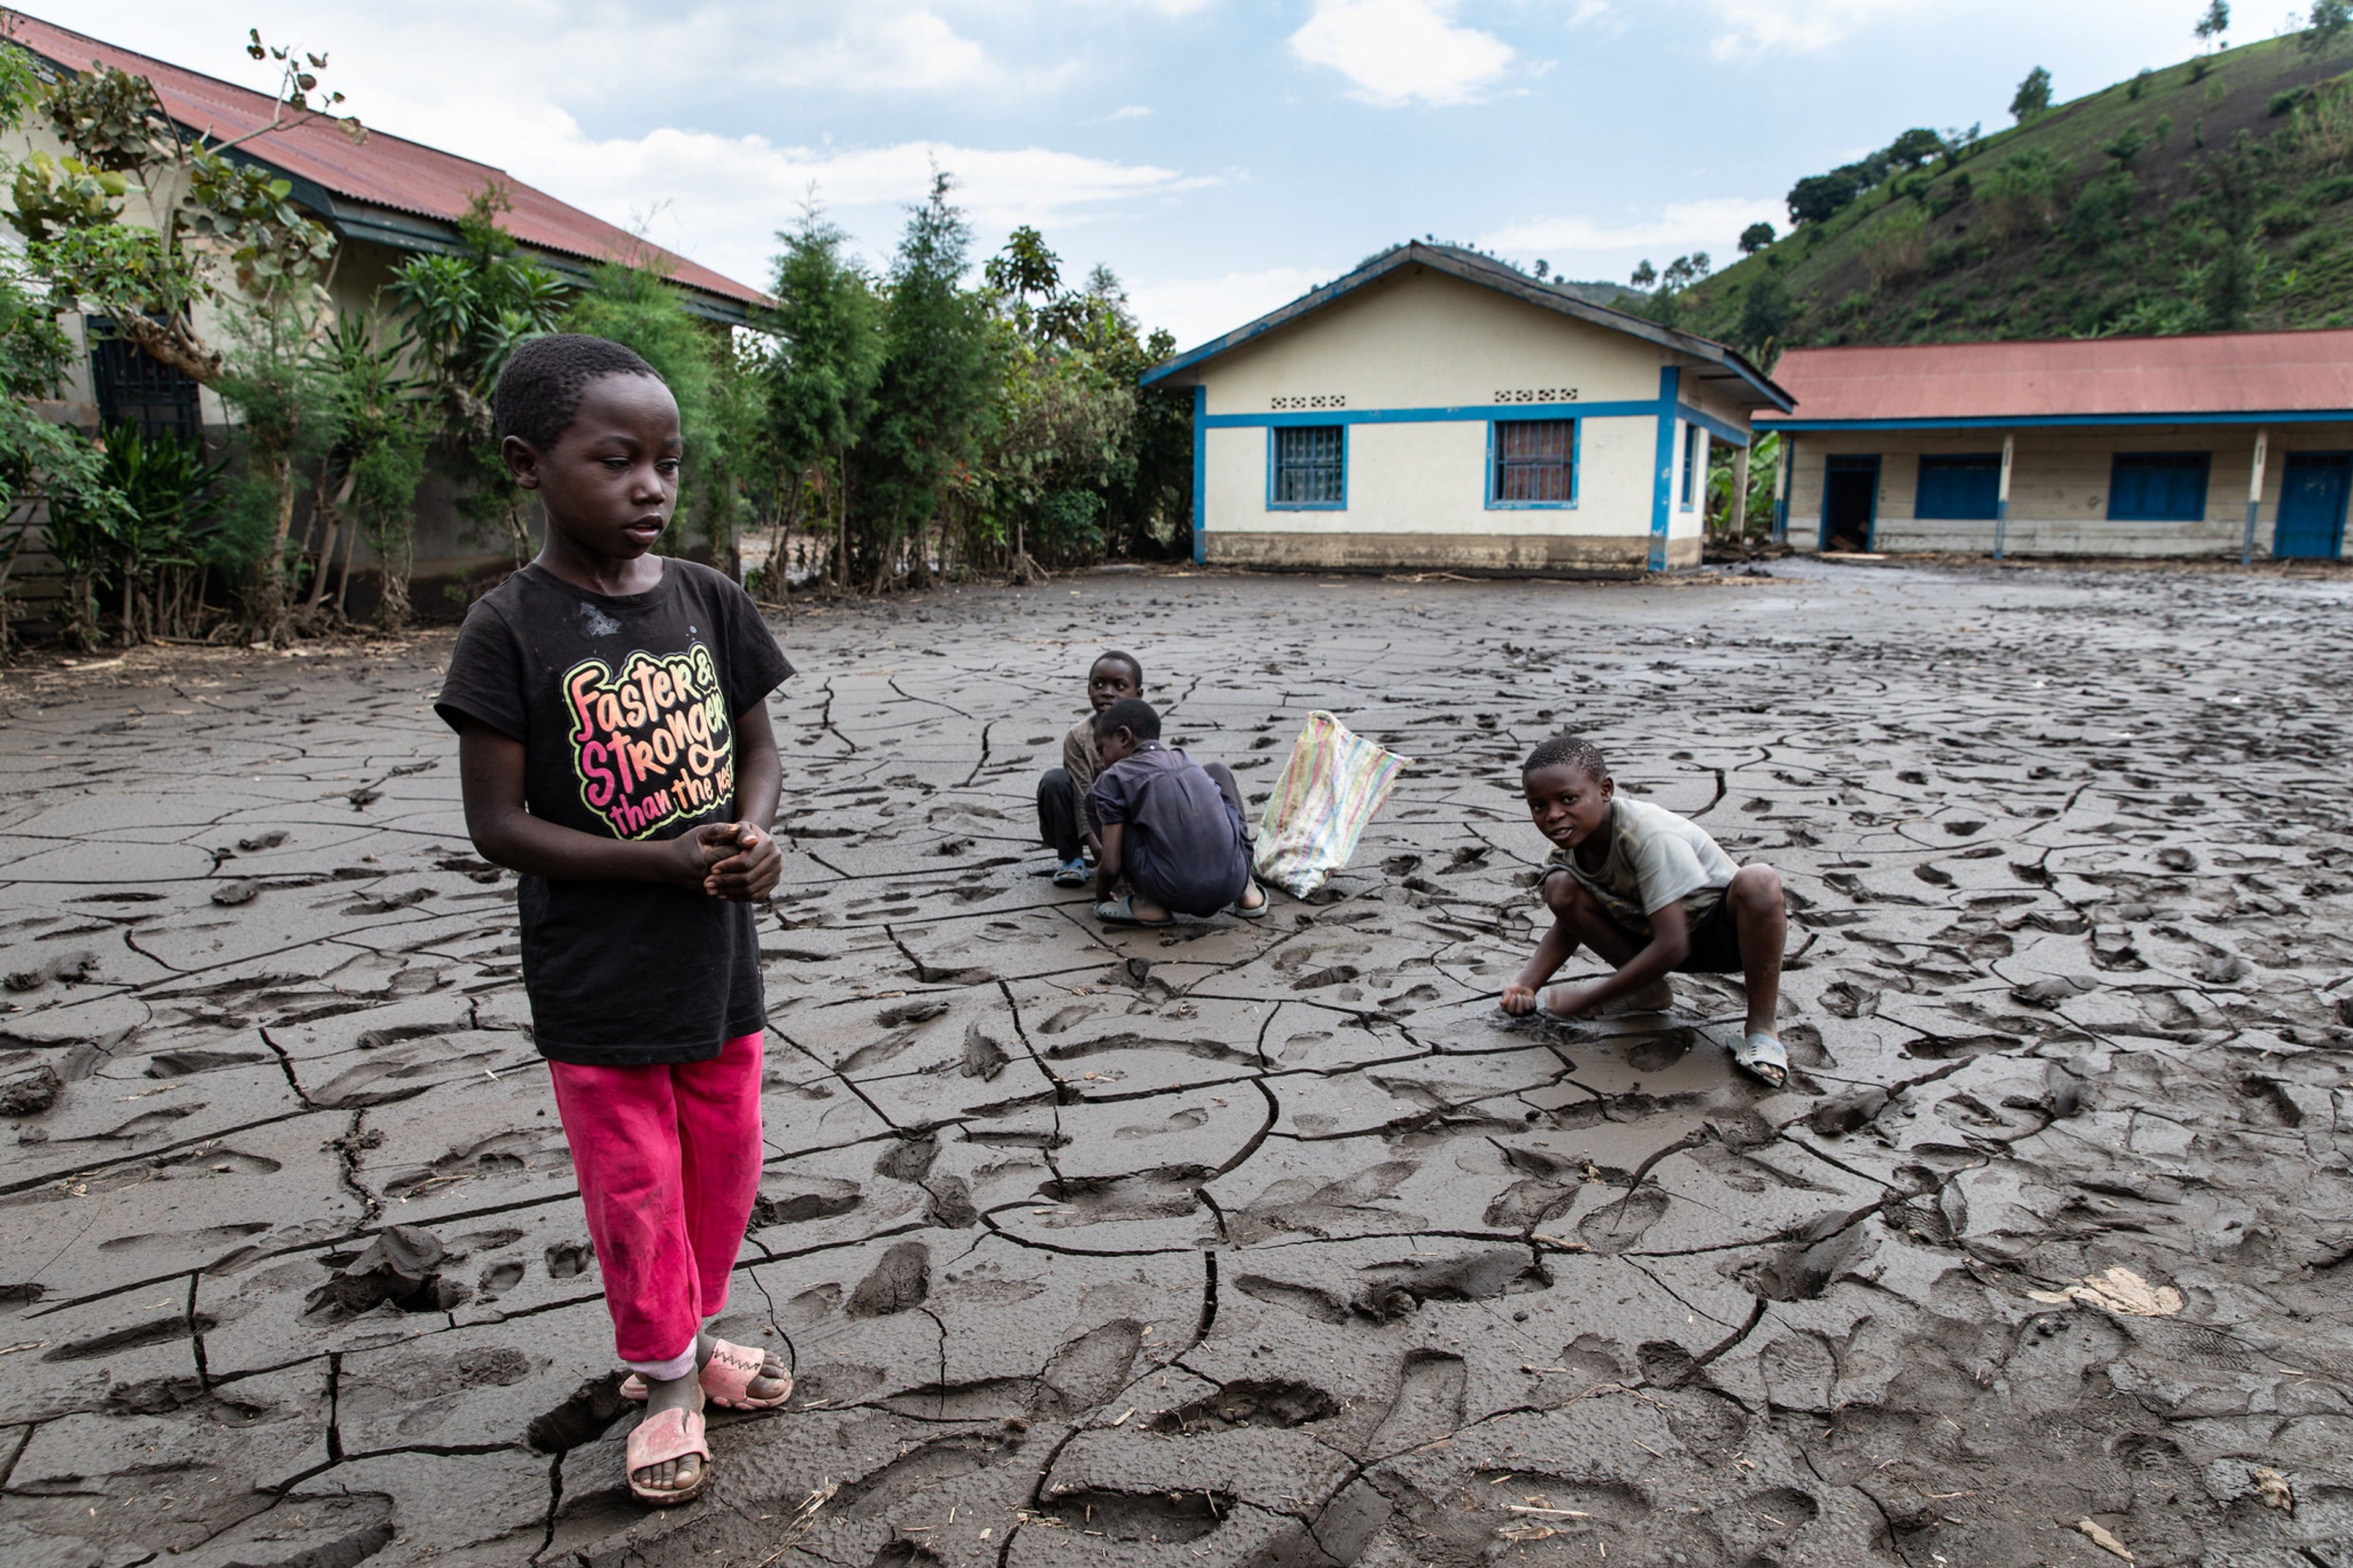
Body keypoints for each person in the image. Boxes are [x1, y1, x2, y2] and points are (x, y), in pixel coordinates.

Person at [435, 335, 797, 1507]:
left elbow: (760, 746)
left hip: (716, 965)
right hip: (599, 977)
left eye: (669, 463)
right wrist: (651, 865)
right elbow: (498, 824)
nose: (651, 486)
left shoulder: (709, 599)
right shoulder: (509, 628)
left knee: (723, 1168)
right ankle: (669, 1380)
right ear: (528, 464)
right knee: (635, 1185)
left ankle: (688, 1334)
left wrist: (757, 833)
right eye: (617, 459)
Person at [1499, 732, 1791, 1086]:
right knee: (1561, 887)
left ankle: (1762, 1028)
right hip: (1647, 939)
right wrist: (1525, 985)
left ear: (1605, 790)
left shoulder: (1648, 836)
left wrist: (1593, 996)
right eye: (1538, 806)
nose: (1553, 815)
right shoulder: (1566, 852)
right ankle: (1648, 991)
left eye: (1568, 799)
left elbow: (1674, 944)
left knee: (1759, 880)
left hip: (1719, 936)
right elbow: (1567, 924)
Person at [1087, 697, 1268, 926]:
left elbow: (1111, 865)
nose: (1103, 762)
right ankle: (1248, 890)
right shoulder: (1185, 760)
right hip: (1232, 883)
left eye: (1102, 750)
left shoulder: (1113, 777)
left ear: (1123, 737)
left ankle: (1148, 904)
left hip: (1168, 891)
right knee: (1217, 771)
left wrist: (1102, 897)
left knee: (1096, 799)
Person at [1037, 650, 1142, 886]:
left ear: (1138, 694)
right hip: (1086, 815)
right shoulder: (1078, 736)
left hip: (1126, 817)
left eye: (1119, 686)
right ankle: (1072, 859)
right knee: (1055, 780)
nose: (1107, 692)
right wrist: (1098, 850)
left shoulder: (1142, 732)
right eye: (1098, 684)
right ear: (1088, 689)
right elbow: (1082, 795)